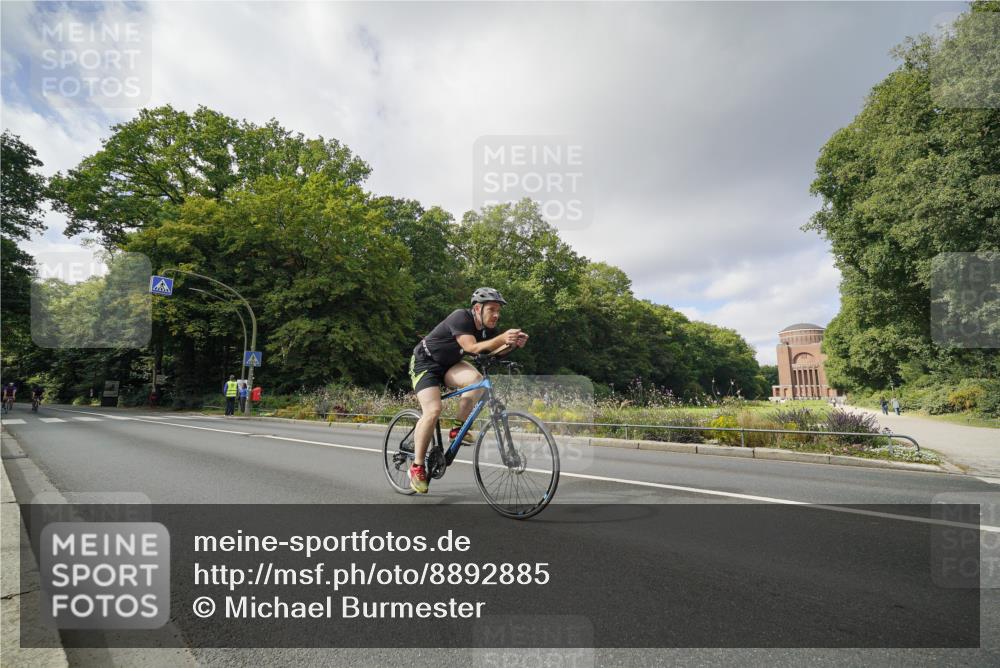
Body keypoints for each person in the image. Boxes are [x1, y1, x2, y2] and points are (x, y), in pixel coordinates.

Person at [407, 288, 528, 494]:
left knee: (476, 380)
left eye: (498, 310)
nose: (496, 315)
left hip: (450, 365)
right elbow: (472, 348)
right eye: (492, 309)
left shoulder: (487, 330)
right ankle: (417, 467)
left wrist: (512, 345)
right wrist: (501, 338)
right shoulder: (460, 317)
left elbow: (492, 352)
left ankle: (457, 429)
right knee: (433, 410)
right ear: (477, 308)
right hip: (425, 364)